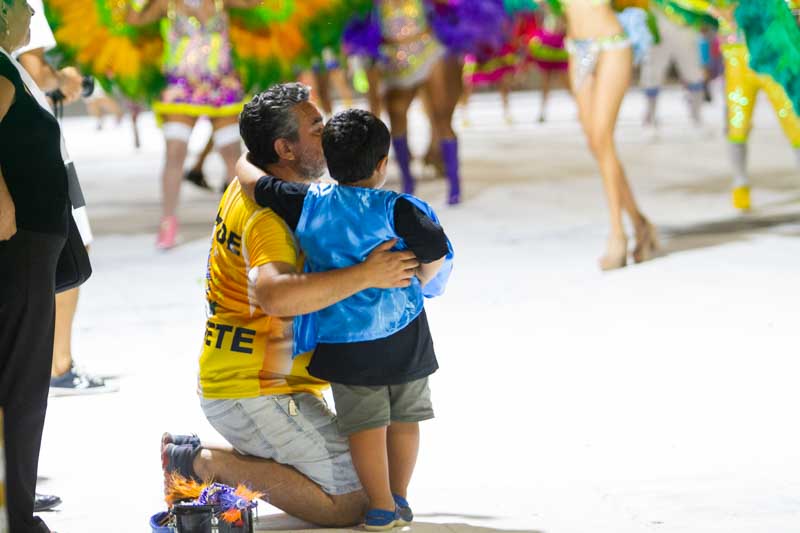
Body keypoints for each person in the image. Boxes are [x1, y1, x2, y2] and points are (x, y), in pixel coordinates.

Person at [161, 83, 422, 527]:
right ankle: (200, 464)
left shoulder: (269, 188)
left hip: (258, 380)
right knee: (357, 502)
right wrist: (367, 275)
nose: (330, 131)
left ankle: (190, 451)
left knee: (368, 471)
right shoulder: (269, 216)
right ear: (284, 148)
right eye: (317, 128)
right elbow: (274, 293)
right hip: (254, 389)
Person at [238, 108, 451, 530]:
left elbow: (258, 184)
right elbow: (436, 251)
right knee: (406, 418)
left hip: (344, 340)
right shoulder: (401, 208)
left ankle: (379, 505)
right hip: (404, 331)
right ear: (382, 164)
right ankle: (401, 497)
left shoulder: (305, 203)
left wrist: (242, 159)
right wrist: (420, 281)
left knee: (365, 427)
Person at [14, 0, 115, 399]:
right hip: (38, 143)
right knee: (70, 246)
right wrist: (66, 78)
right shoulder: (22, 4)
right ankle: (58, 364)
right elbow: (35, 70)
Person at [0, 1, 72, 530]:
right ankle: (15, 516)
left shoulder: (10, 64)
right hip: (18, 244)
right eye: (20, 4)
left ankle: (15, 505)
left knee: (21, 384)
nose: (30, 8)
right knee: (21, 385)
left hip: (33, 243)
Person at [126, 0, 262, 249]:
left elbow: (257, 3)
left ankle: (242, 221)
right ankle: (168, 223)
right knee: (175, 152)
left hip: (221, 86)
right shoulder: (165, 3)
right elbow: (132, 19)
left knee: (232, 154)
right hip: (181, 88)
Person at [557, 0, 657, 270]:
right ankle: (641, 224)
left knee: (603, 137)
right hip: (576, 47)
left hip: (611, 44)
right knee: (596, 143)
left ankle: (618, 235)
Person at [640, 8, 707, 134]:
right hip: (658, 28)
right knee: (652, 74)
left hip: (685, 28)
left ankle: (696, 116)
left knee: (694, 74)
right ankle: (649, 116)